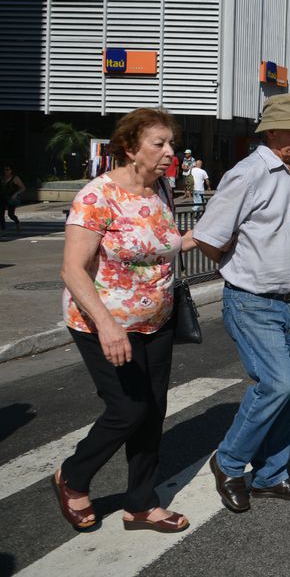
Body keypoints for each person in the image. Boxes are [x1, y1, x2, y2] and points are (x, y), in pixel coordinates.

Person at [55, 108, 195, 533]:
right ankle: (73, 477)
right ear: (131, 148)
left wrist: (218, 235)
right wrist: (109, 325)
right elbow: (73, 269)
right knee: (127, 409)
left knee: (152, 412)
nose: (170, 152)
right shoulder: (98, 196)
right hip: (101, 323)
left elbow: (168, 244)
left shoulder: (162, 190)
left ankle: (141, 503)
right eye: (159, 144)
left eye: (171, 144)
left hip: (157, 322)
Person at [192, 93, 290, 514]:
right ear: (269, 131)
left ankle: (270, 476)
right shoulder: (247, 174)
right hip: (252, 301)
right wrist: (240, 268)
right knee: (277, 386)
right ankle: (229, 462)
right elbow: (208, 236)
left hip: (289, 302)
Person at [1, 165, 26, 233]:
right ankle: (3, 229)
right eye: (5, 169)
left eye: (8, 169)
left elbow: (23, 188)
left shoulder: (15, 178)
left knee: (11, 214)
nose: (6, 171)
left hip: (11, 198)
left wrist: (16, 194)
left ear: (11, 170)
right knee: (1, 214)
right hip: (2, 198)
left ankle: (17, 222)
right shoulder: (2, 178)